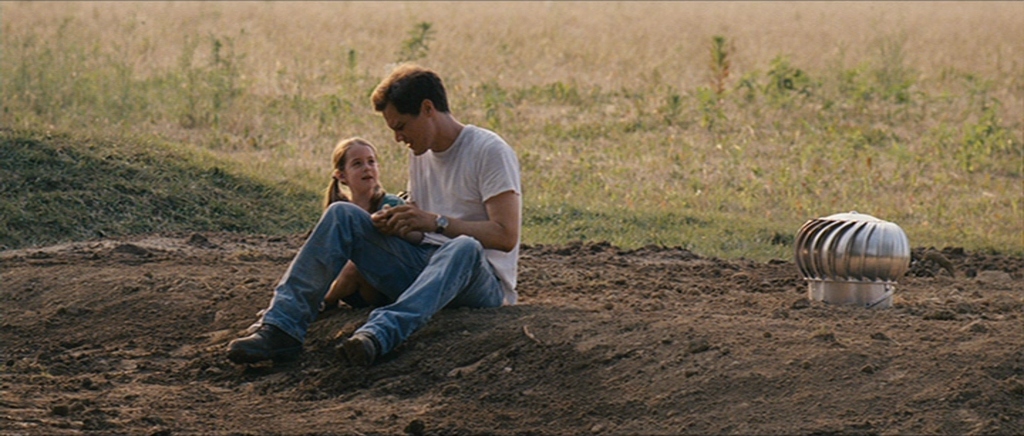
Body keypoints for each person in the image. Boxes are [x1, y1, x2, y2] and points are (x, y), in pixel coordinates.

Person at [227, 63, 522, 367]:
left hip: (480, 283)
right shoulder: (421, 154)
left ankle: (379, 333)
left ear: (427, 109)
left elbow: (505, 236)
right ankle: (281, 328)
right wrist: (397, 225)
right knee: (342, 213)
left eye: (401, 126)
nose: (398, 138)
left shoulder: (489, 150)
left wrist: (437, 222)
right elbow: (422, 233)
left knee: (464, 246)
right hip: (425, 267)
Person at [320, 137, 405, 311]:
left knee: (356, 266)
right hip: (353, 289)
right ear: (341, 176)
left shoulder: (390, 204)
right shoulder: (340, 212)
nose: (367, 168)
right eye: (357, 164)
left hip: (386, 284)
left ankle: (322, 303)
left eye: (371, 162)